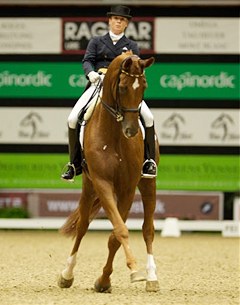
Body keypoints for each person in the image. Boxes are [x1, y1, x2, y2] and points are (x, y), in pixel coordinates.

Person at [61, 5, 157, 182]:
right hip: (98, 83)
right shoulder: (97, 41)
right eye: (115, 19)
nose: (118, 22)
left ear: (126, 24)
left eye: (122, 20)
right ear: (110, 21)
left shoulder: (131, 45)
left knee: (148, 118)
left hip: (122, 88)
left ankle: (148, 160)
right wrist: (91, 73)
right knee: (73, 118)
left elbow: (135, 66)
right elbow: (88, 60)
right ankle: (74, 164)